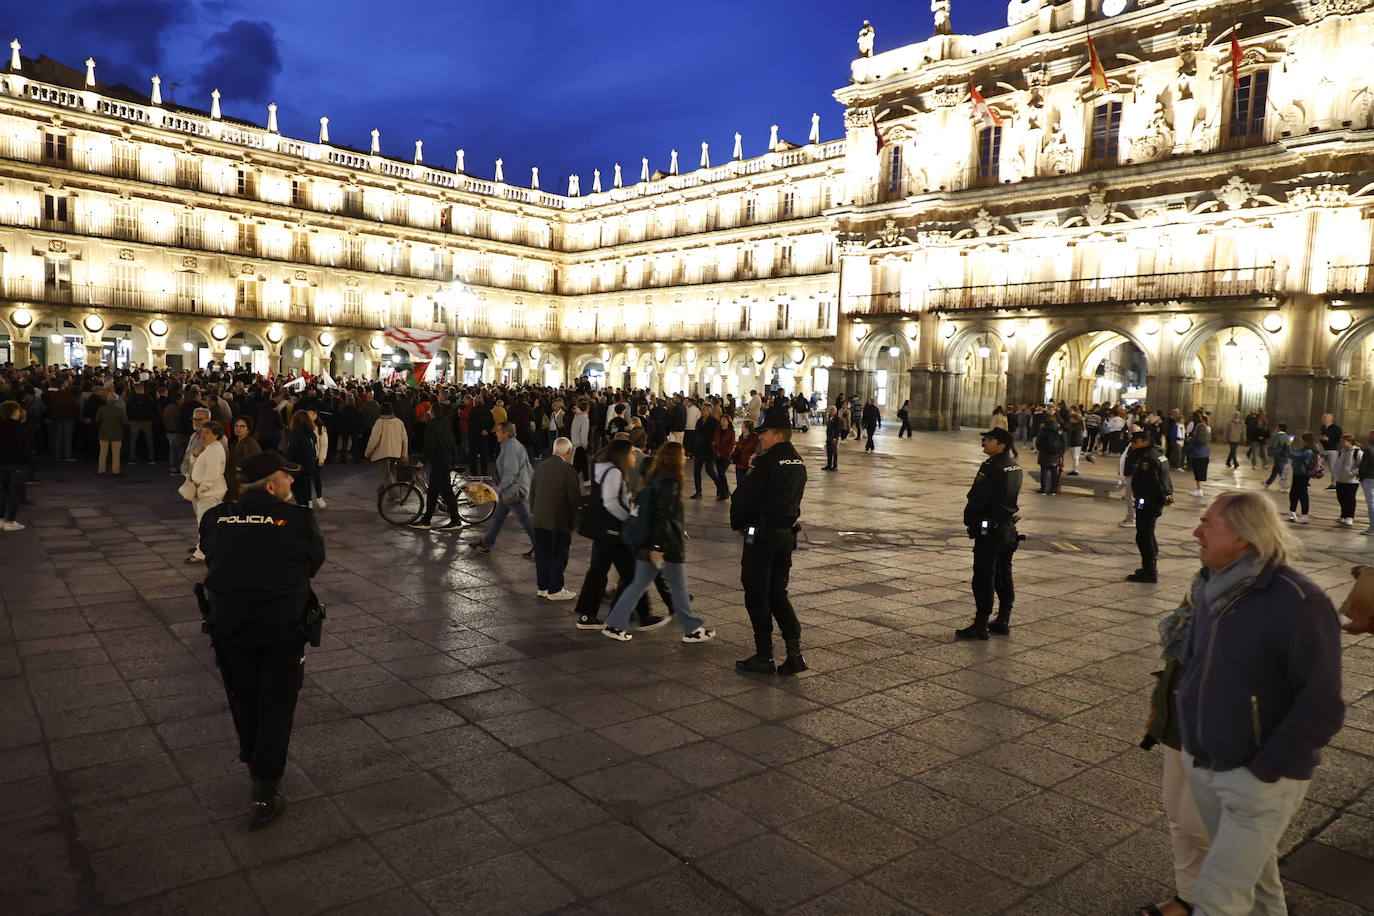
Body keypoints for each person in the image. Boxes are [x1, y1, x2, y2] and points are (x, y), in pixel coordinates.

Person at [1177, 492, 1344, 916]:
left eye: (1207, 524)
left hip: (1260, 778)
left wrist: (1265, 769)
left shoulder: (1298, 600)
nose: (1197, 532)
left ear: (1242, 538)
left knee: (1218, 895)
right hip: (1208, 764)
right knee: (1258, 882)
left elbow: (1322, 704)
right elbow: (1198, 665)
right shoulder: (1210, 586)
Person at [199, 451, 324, 827]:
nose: (292, 482)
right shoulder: (298, 519)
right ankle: (265, 786)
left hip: (229, 628)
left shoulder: (215, 517)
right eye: (287, 478)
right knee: (277, 703)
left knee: (244, 698)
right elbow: (313, 563)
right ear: (271, 485)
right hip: (281, 629)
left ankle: (255, 761)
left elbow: (210, 554)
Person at [600, 442, 716, 644]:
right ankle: (692, 630)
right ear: (674, 459)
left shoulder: (655, 479)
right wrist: (659, 547)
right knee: (677, 588)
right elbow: (663, 517)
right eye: (681, 455)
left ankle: (614, 624)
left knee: (638, 585)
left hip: (649, 545)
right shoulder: (669, 484)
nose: (684, 458)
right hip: (665, 547)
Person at [730, 413, 808, 675]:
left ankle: (765, 655)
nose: (759, 436)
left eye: (763, 432)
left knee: (755, 592)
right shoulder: (798, 462)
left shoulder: (767, 463)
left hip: (759, 534)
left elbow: (742, 497)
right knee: (778, 592)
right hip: (785, 535)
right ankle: (794, 653)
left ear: (777, 435)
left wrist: (739, 523)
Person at [955, 428, 1022, 640]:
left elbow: (977, 497)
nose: (984, 442)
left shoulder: (991, 467)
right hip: (1008, 528)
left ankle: (981, 624)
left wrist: (969, 519)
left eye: (989, 439)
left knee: (984, 576)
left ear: (1001, 444)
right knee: (1003, 573)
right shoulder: (1014, 466)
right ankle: (1003, 618)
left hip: (990, 530)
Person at [530, 437, 580, 600]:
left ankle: (543, 586)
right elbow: (574, 498)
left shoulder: (540, 466)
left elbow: (532, 493)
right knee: (559, 553)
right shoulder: (568, 470)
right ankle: (556, 589)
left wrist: (534, 512)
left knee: (542, 554)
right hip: (559, 519)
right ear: (568, 451)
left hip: (540, 517)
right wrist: (575, 519)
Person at [474, 422, 536, 555]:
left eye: (499, 431)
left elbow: (510, 472)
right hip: (513, 489)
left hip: (514, 490)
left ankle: (540, 545)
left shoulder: (511, 448)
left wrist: (499, 488)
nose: (496, 433)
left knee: (524, 519)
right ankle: (486, 543)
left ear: (506, 433)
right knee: (499, 517)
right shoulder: (510, 445)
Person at [1127, 429, 1173, 583]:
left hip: (1147, 502)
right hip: (1154, 502)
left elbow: (1151, 483)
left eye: (1134, 441)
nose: (1132, 445)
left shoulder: (1147, 459)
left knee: (1143, 535)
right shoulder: (1159, 455)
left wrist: (1144, 500)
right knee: (1149, 533)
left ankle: (1149, 571)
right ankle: (1149, 567)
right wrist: (1167, 494)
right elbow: (1166, 479)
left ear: (1143, 441)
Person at [410, 403, 462, 532]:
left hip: (440, 463)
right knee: (432, 492)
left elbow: (430, 447)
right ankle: (426, 520)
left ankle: (456, 520)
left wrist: (422, 461)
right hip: (445, 460)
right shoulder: (445, 423)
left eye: (429, 411)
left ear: (433, 413)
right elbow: (452, 442)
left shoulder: (432, 427)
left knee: (446, 493)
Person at [186, 421, 228, 563]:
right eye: (202, 432)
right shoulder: (209, 447)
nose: (203, 435)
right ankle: (204, 547)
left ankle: (202, 552)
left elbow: (212, 474)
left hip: (209, 492)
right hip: (208, 491)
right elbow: (197, 465)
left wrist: (201, 489)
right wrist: (195, 454)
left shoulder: (215, 449)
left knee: (204, 522)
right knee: (206, 522)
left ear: (216, 435)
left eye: (207, 433)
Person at [364, 402, 408, 492]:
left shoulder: (380, 422)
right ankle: (382, 491)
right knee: (390, 474)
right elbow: (405, 439)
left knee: (387, 475)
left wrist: (368, 452)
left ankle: (394, 495)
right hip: (396, 452)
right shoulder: (399, 422)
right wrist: (404, 453)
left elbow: (374, 439)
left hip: (382, 453)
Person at [0, 400, 30, 532]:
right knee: (15, 494)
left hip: (2, 463)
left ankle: (1, 519)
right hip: (16, 464)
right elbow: (23, 448)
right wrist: (24, 463)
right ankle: (10, 521)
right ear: (14, 411)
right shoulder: (18, 427)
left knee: (3, 492)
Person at [283, 411, 318, 508]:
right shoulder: (311, 432)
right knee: (305, 488)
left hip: (299, 466)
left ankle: (303, 509)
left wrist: (284, 464)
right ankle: (306, 505)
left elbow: (292, 451)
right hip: (309, 465)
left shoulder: (297, 434)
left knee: (298, 490)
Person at [226, 415, 263, 500]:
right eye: (236, 426)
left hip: (243, 485)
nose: (238, 428)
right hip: (233, 482)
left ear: (248, 429)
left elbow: (254, 468)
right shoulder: (235, 443)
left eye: (242, 426)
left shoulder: (250, 445)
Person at [1286, 433, 1317, 523]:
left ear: (1306, 441)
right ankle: (1292, 511)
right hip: (1297, 474)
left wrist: (1288, 446)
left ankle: (1304, 515)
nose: (1301, 442)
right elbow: (1296, 454)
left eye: (1303, 440)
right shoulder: (1305, 449)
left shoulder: (1309, 451)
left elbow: (1294, 455)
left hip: (1303, 475)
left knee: (1302, 494)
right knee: (1293, 493)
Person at [1332, 435, 1362, 528]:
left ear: (1349, 442)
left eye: (1343, 441)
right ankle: (1343, 515)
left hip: (1352, 480)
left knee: (1350, 499)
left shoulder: (1357, 452)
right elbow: (1338, 462)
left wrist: (1353, 472)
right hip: (1340, 478)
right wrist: (1336, 471)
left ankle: (1350, 517)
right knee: (1341, 497)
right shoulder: (1342, 452)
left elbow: (1361, 465)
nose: (1341, 443)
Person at [95, 393, 127, 476]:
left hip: (103, 433)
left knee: (103, 453)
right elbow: (124, 422)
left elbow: (97, 420)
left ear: (107, 400)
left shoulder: (101, 409)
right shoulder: (120, 411)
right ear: (116, 400)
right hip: (117, 434)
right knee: (116, 454)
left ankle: (101, 469)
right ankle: (115, 470)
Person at [1034, 417, 1065, 495]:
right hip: (1055, 454)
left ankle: (1043, 489)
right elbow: (1064, 441)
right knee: (1054, 472)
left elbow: (1038, 441)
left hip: (1044, 453)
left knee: (1043, 471)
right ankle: (1053, 490)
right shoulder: (1059, 430)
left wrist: (1039, 449)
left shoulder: (1043, 430)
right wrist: (1061, 452)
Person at [1186, 412, 1210, 498]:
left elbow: (1195, 443)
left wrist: (1190, 441)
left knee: (1197, 474)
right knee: (1201, 473)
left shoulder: (1198, 427)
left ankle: (1199, 490)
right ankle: (1199, 489)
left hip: (1197, 454)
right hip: (1205, 454)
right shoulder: (1205, 429)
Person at [731, 419, 760, 488]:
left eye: (742, 426)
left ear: (747, 428)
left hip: (748, 465)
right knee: (740, 485)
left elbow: (752, 449)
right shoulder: (741, 436)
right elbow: (738, 448)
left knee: (748, 485)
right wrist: (732, 457)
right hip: (739, 464)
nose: (741, 428)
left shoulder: (755, 437)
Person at [1262, 424, 1290, 491]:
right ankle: (1267, 483)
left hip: (1278, 455)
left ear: (1279, 428)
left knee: (1281, 471)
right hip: (1286, 455)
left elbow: (1274, 445)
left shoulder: (1277, 436)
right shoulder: (1287, 436)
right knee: (1275, 470)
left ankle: (1285, 486)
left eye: (1277, 427)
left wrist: (1269, 449)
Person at [1319, 412, 1341, 490]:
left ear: (1330, 419)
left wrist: (1329, 440)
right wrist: (1322, 439)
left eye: (1324, 418)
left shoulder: (1336, 428)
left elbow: (1338, 439)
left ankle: (1334, 484)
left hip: (1332, 450)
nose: (1323, 419)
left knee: (1333, 468)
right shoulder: (1323, 427)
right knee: (1317, 465)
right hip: (1324, 449)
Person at [822, 406, 842, 471]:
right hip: (829, 437)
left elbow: (838, 429)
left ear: (835, 411)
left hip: (833, 438)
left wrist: (835, 437)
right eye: (830, 411)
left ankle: (835, 466)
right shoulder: (830, 418)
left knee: (834, 451)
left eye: (832, 411)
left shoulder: (837, 419)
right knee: (829, 451)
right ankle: (829, 465)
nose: (830, 412)